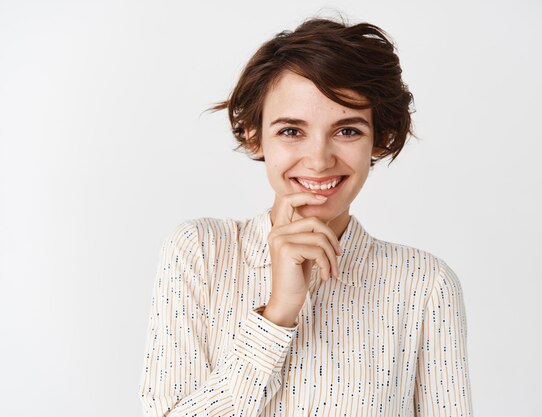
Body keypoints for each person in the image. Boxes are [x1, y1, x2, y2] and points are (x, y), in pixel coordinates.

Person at [138, 16, 473, 417]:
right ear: (253, 134)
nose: (318, 160)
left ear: (380, 139)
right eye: (291, 131)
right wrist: (278, 313)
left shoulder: (424, 285)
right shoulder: (199, 253)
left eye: (347, 131)